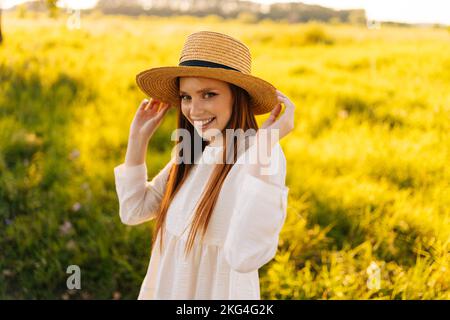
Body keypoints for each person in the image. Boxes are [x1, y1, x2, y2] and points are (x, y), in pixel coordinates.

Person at [113, 31, 296, 299]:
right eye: (186, 97)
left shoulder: (261, 154)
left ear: (238, 97)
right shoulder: (194, 149)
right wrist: (137, 140)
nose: (194, 110)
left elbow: (245, 255)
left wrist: (266, 144)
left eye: (208, 94)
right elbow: (133, 210)